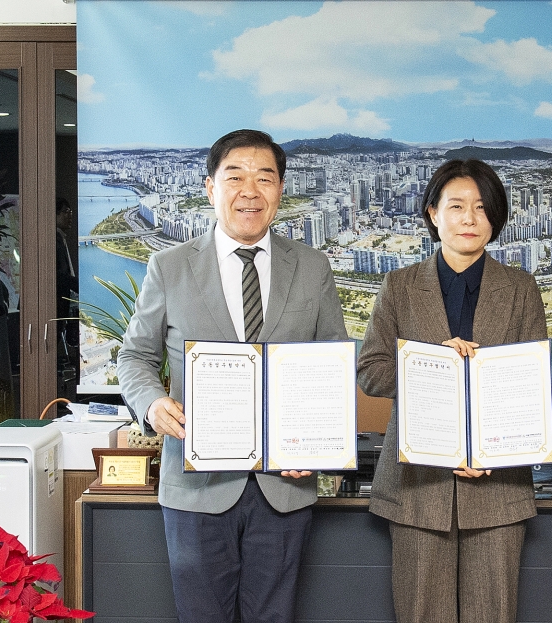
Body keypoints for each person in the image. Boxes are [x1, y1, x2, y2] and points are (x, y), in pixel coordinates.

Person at [117, 129, 347, 623]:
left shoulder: (311, 266)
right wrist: (153, 405)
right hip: (196, 488)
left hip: (284, 487)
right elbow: (134, 357)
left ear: (280, 190)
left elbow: (330, 359)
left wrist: (315, 444)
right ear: (210, 188)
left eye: (265, 178)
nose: (250, 191)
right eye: (235, 177)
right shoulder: (170, 266)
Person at [357, 159, 547, 623]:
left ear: (495, 219)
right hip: (419, 485)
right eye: (456, 206)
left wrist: (485, 450)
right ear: (432, 214)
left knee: (493, 614)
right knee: (421, 614)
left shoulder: (521, 288)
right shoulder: (398, 286)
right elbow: (371, 370)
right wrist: (431, 367)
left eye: (482, 209)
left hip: (497, 485)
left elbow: (531, 386)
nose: (468, 219)